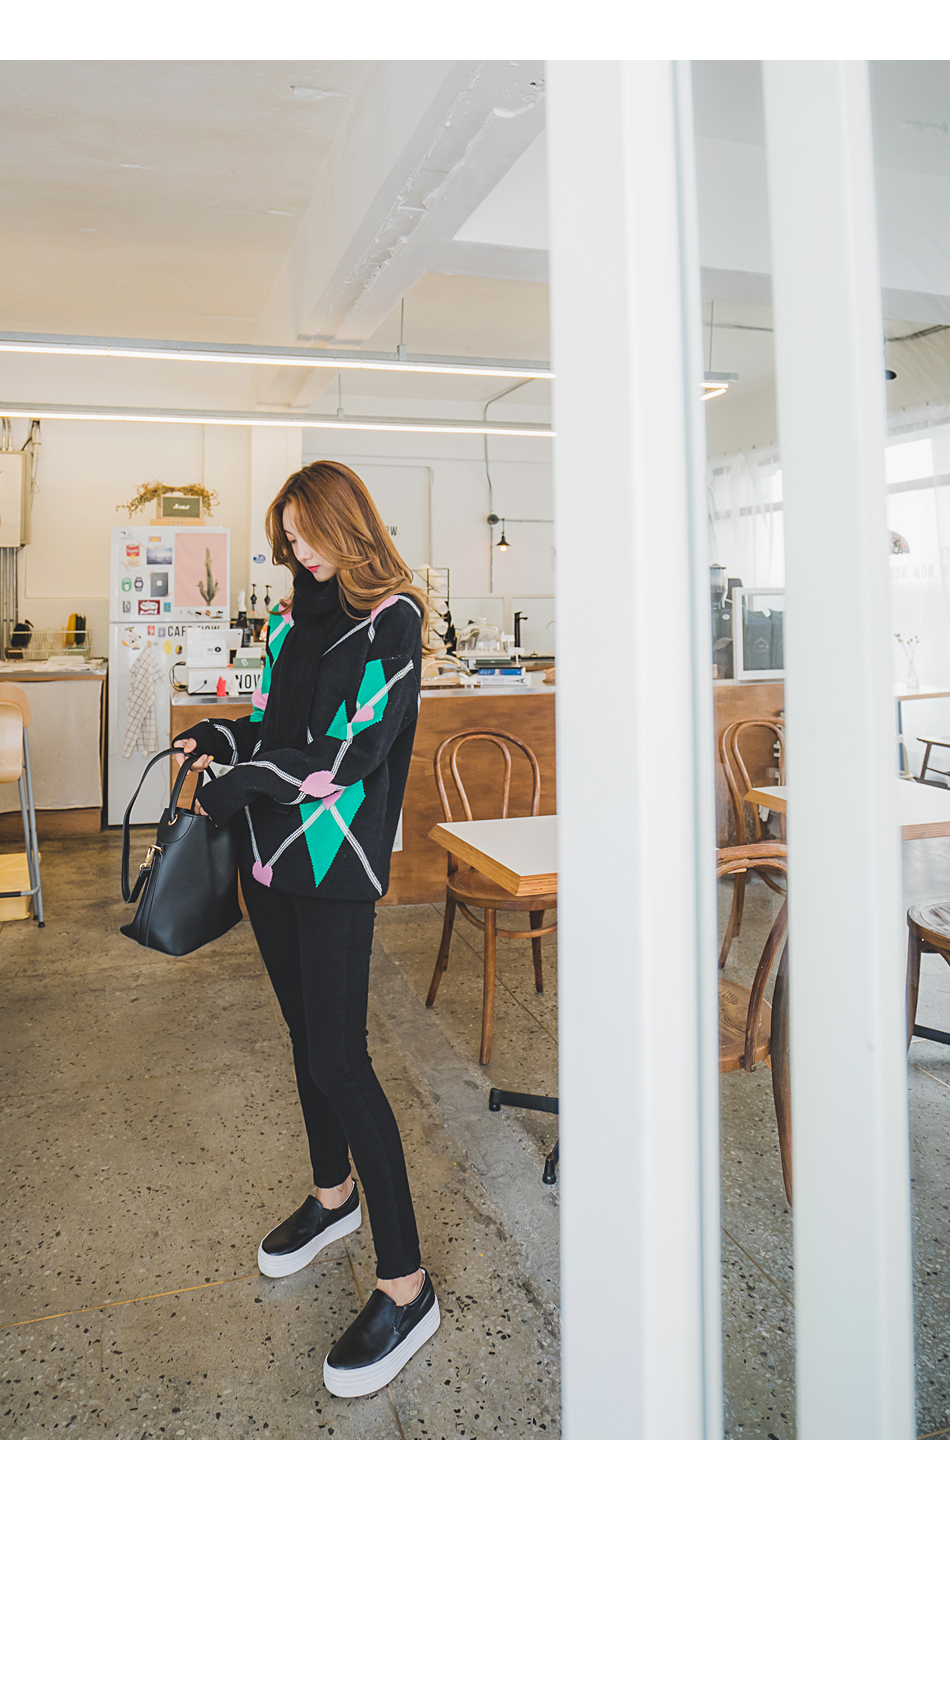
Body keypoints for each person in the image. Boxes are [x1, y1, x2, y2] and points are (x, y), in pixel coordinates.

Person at [173, 460, 439, 1399]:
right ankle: (335, 1197)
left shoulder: (393, 621)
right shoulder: (290, 621)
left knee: (341, 1060)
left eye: (310, 534)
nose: (301, 552)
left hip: (334, 868)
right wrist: (222, 738)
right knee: (303, 1040)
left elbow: (345, 757)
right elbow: (272, 726)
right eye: (289, 540)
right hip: (270, 866)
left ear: (348, 523)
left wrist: (247, 778)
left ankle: (406, 1285)